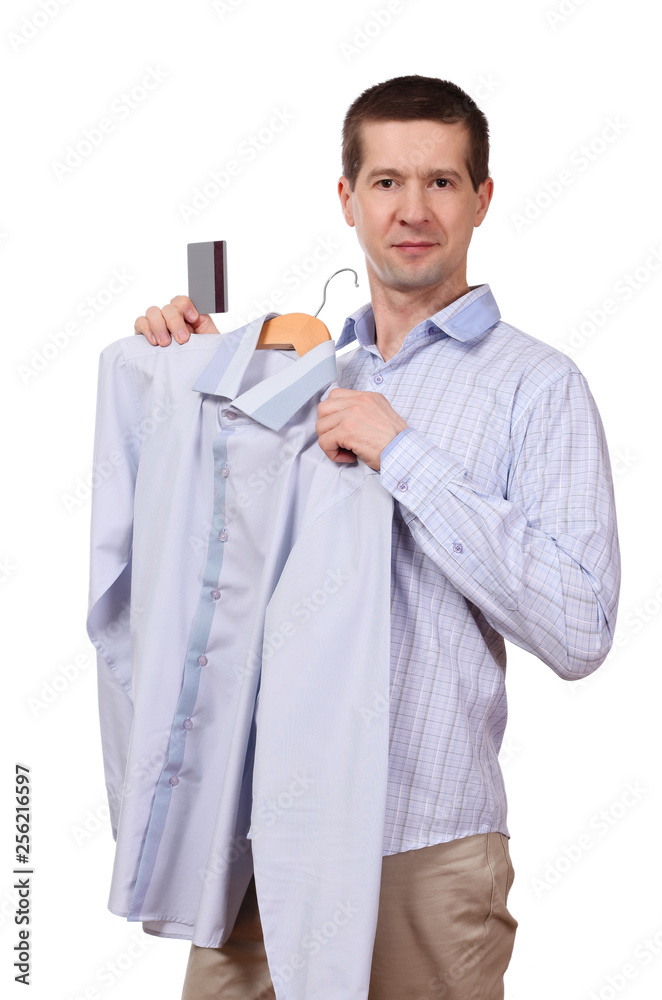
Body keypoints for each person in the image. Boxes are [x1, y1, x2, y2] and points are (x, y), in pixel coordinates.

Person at [132, 75, 621, 999]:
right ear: (347, 198)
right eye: (388, 181)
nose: (413, 209)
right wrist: (182, 373)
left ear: (481, 199)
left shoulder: (538, 386)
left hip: (424, 851)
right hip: (256, 838)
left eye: (440, 182)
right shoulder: (281, 374)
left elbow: (579, 626)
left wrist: (402, 454)